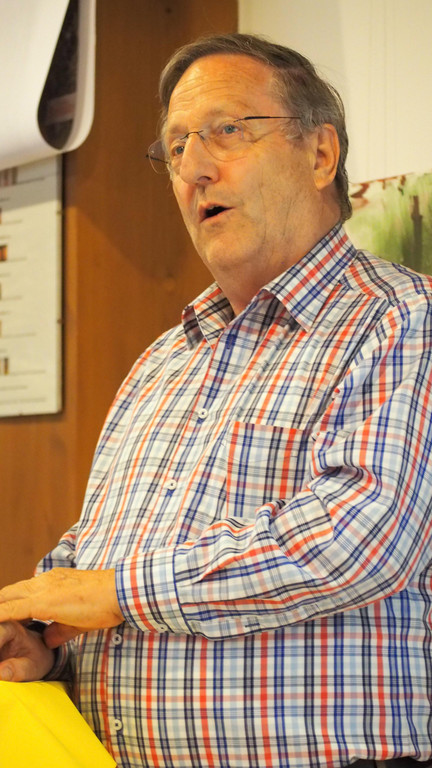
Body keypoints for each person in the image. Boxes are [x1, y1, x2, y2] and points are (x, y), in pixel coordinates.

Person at [0, 32, 431, 768]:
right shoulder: (163, 358)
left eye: (227, 130)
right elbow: (100, 551)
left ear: (320, 154)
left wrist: (119, 592)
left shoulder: (400, 318)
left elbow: (362, 536)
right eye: (175, 148)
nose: (195, 167)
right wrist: (44, 634)